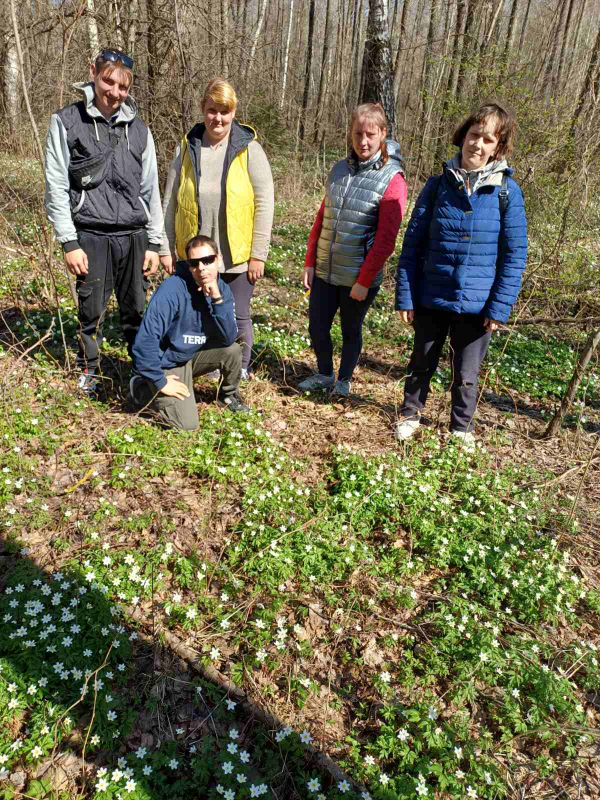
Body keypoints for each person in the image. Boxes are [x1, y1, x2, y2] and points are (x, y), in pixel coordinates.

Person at [395, 102, 528, 446]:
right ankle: (410, 414)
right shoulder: (438, 185)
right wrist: (406, 296)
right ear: (463, 136)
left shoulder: (507, 192)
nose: (477, 144)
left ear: (498, 147)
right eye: (474, 135)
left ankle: (461, 427)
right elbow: (413, 245)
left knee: (466, 374)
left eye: (488, 139)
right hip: (432, 294)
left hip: (478, 304)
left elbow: (514, 255)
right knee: (421, 362)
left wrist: (499, 308)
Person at [44, 48, 163, 395]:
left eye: (123, 87)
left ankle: (141, 371)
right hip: (91, 234)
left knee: (136, 311)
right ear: (93, 73)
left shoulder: (140, 129)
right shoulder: (67, 121)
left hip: (134, 235)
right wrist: (69, 241)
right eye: (108, 81)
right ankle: (89, 371)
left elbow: (151, 189)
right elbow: (55, 184)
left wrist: (155, 242)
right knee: (91, 311)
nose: (114, 92)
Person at [159, 78, 274, 380]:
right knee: (198, 310)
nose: (218, 118)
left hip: (237, 254)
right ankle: (206, 365)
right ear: (203, 109)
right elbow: (170, 201)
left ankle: (240, 368)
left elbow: (264, 205)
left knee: (237, 314)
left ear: (234, 112)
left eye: (225, 111)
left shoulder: (250, 151)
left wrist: (258, 254)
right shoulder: (187, 149)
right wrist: (165, 247)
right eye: (212, 110)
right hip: (195, 254)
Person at [300, 103, 407, 398]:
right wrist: (310, 261)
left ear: (383, 134)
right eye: (358, 133)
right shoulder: (339, 170)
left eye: (370, 134)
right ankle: (324, 373)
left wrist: (364, 280)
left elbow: (386, 239)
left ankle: (344, 380)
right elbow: (322, 218)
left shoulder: (393, 179)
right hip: (325, 269)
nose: (363, 141)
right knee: (317, 327)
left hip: (359, 277)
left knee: (350, 330)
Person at [129, 235, 249, 430]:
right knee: (187, 425)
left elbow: (228, 339)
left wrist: (218, 300)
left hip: (189, 355)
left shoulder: (222, 289)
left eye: (208, 260)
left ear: (218, 259)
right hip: (166, 362)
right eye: (194, 263)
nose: (201, 268)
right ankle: (142, 388)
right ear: (189, 266)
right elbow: (145, 340)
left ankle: (227, 396)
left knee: (233, 350)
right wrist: (160, 381)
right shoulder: (172, 289)